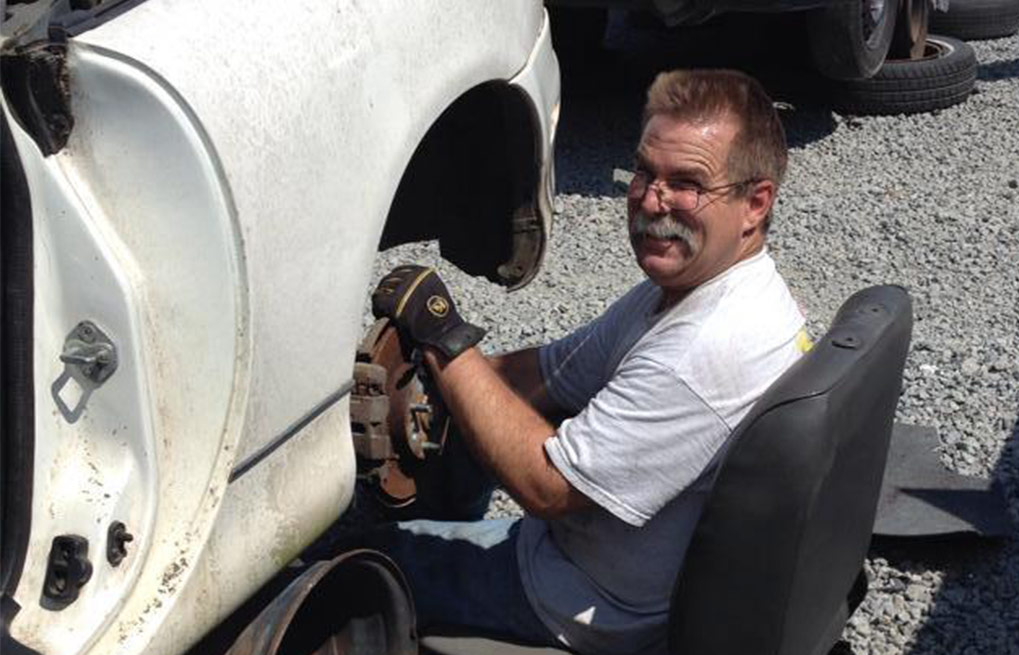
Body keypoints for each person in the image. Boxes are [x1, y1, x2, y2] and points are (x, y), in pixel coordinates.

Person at [328, 69, 809, 654]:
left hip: (586, 603)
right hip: (602, 556)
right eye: (643, 172)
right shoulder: (696, 285)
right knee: (478, 420)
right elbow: (550, 372)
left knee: (347, 566)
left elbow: (547, 487)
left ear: (755, 203)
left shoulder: (705, 348)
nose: (653, 201)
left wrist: (444, 340)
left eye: (687, 183)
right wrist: (435, 389)